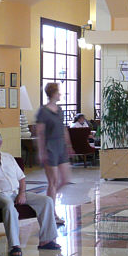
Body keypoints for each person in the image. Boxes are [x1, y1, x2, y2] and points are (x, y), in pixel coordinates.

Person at [0, 131, 61, 256]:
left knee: (47, 201)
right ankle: (14, 245)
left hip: (16, 192)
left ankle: (46, 240)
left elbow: (21, 178)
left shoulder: (8, 158)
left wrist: (22, 193)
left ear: (0, 143)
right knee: (8, 205)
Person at [36, 82, 71, 223]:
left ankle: (47, 202)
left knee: (65, 180)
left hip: (61, 146)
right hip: (50, 147)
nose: (60, 94)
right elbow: (40, 133)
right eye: (58, 92)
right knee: (53, 182)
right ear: (53, 93)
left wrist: (68, 144)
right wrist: (41, 152)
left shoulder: (60, 110)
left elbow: (63, 128)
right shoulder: (43, 111)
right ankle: (52, 213)